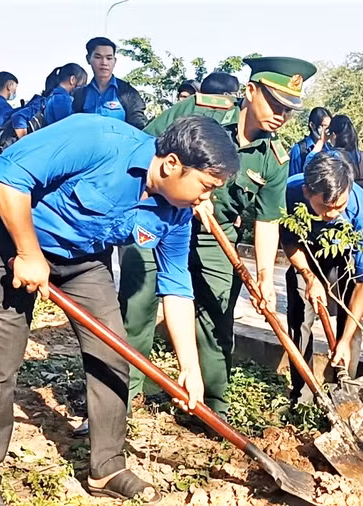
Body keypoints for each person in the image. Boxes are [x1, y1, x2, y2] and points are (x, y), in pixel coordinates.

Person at [0, 114, 239, 506]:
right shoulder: (97, 139)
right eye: (205, 187)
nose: (205, 200)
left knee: (111, 353)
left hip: (83, 258)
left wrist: (191, 370)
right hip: (9, 237)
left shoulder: (177, 212)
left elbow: (176, 288)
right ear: (172, 163)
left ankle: (107, 466)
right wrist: (27, 252)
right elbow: (8, 176)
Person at [118, 58, 317, 419]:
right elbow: (147, 149)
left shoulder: (274, 159)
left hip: (217, 235)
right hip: (158, 217)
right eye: (275, 104)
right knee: (138, 304)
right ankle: (123, 398)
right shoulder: (198, 109)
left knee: (217, 315)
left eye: (289, 110)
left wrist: (264, 279)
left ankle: (210, 406)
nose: (280, 116)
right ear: (251, 91)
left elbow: (267, 220)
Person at [281, 152, 363, 403]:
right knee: (300, 318)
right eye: (326, 207)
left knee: (350, 324)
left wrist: (343, 340)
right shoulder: (290, 193)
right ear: (307, 192)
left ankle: (345, 394)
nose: (334, 213)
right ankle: (302, 396)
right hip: (306, 255)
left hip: (346, 257)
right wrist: (309, 277)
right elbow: (289, 242)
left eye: (340, 206)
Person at [73, 37, 147, 128]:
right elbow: (74, 127)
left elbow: (139, 127)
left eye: (109, 58)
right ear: (88, 59)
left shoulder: (128, 93)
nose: (104, 62)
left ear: (114, 61)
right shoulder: (80, 95)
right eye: (98, 57)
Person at [306, 114, 363, 204]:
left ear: (333, 135)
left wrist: (321, 141)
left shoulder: (333, 156)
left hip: (345, 204)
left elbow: (308, 166)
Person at [289, 106, 331, 176]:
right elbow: (293, 180)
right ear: (312, 125)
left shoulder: (330, 148)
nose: (327, 131)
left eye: (329, 127)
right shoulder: (298, 150)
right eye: (324, 126)